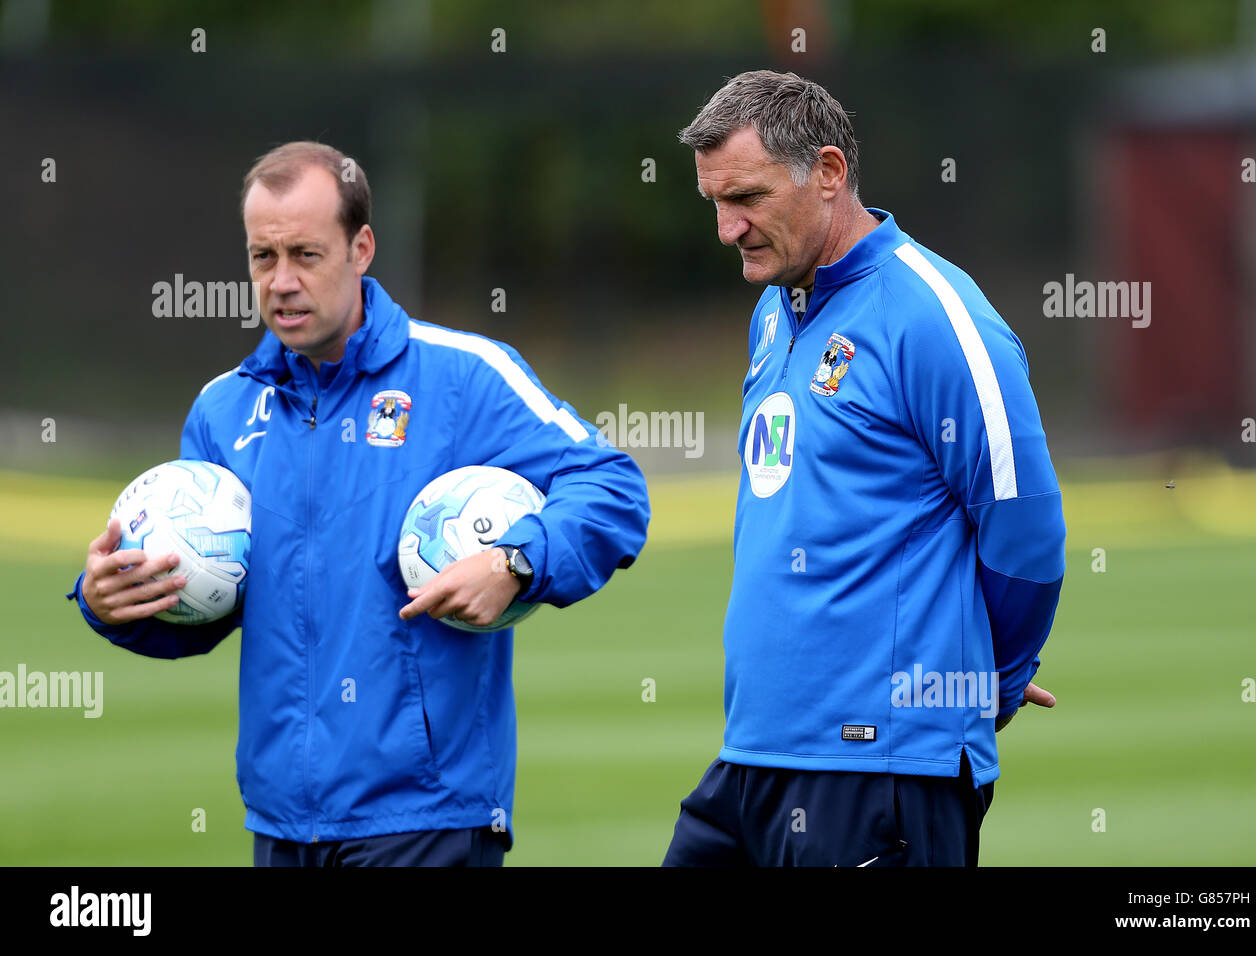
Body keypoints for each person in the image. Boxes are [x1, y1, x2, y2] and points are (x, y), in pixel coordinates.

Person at [69, 141, 650, 867]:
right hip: (283, 823)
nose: (280, 282)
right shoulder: (223, 411)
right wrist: (113, 598)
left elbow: (612, 486)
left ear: (362, 248)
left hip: (427, 817)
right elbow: (208, 604)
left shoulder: (463, 377)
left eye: (306, 255)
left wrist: (515, 560)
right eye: (262, 257)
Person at [663, 71, 1066, 867]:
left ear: (829, 172)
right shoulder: (776, 309)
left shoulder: (933, 315)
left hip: (876, 768)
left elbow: (1025, 523)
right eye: (714, 201)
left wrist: (995, 678)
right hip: (757, 753)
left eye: (744, 197)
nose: (726, 228)